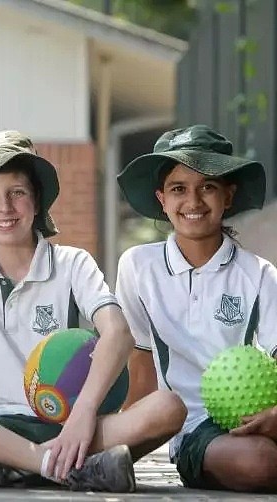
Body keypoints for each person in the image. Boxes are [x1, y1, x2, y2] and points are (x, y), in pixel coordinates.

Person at [0, 130, 186, 492]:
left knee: (169, 407)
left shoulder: (73, 262)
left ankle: (7, 466)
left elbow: (119, 333)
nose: (5, 208)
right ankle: (55, 466)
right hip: (0, 426)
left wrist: (83, 413)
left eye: (17, 192)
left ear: (37, 199)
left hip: (71, 424)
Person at [116, 124, 277, 492]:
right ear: (161, 199)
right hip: (191, 427)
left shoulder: (259, 275)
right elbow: (139, 373)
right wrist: (122, 443)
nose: (193, 201)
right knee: (261, 462)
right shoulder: (138, 267)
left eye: (207, 186)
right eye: (178, 189)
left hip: (256, 413)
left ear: (228, 195)